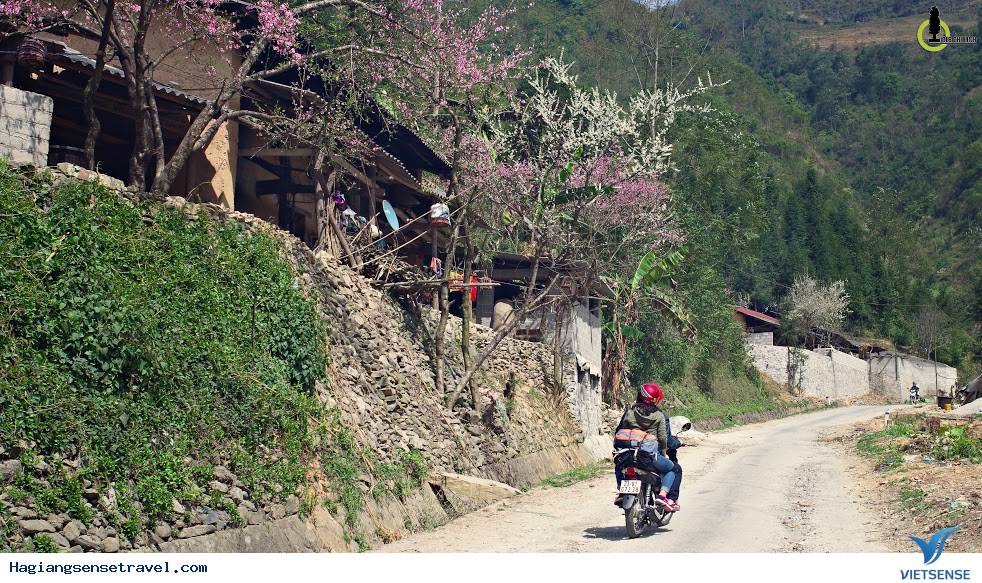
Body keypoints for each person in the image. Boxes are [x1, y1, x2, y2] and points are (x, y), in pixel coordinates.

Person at [613, 383, 680, 512]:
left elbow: (620, 431)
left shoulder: (630, 412)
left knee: (619, 466)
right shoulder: (659, 415)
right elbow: (662, 438)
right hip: (648, 456)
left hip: (628, 453)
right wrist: (664, 453)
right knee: (672, 469)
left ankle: (621, 490)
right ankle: (662, 496)